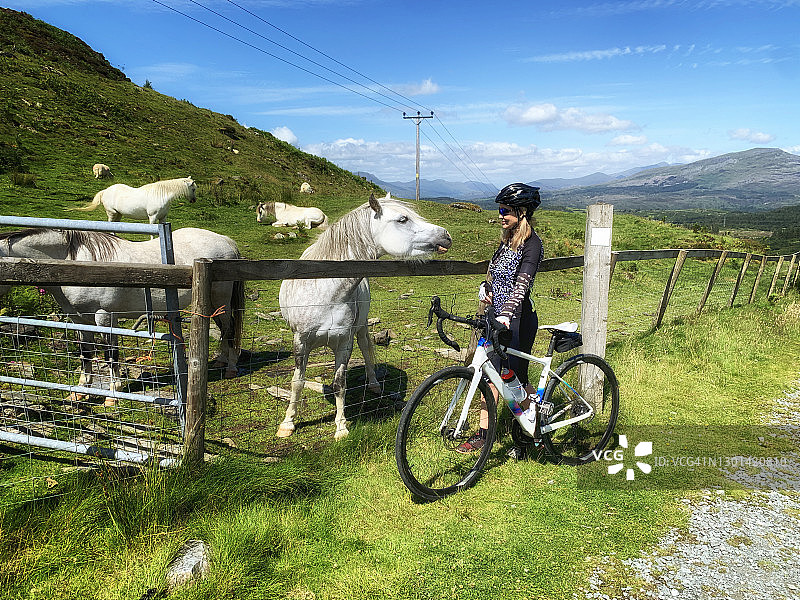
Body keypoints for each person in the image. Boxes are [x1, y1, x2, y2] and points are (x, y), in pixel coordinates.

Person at [456, 182, 544, 459]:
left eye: (505, 210)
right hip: (497, 317)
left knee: (516, 379)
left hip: (518, 319)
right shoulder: (506, 240)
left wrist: (506, 311)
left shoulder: (532, 244)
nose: (501, 215)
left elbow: (522, 282)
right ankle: (484, 435)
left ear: (522, 211)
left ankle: (531, 430)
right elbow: (496, 273)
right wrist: (487, 287)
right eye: (500, 210)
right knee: (490, 375)